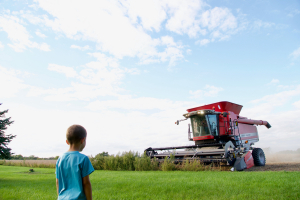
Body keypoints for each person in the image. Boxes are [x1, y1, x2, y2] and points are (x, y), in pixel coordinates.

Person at [56, 125, 94, 200]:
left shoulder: (60, 159)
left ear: (67, 142)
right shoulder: (83, 158)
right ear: (82, 140)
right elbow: (86, 183)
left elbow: (58, 181)